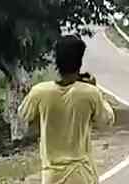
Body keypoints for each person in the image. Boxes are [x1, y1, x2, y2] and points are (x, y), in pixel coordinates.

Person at [18, 35, 115, 184]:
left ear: (56, 61)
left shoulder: (40, 92)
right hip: (82, 174)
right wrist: (95, 88)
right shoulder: (90, 93)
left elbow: (23, 115)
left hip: (51, 175)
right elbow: (107, 121)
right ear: (80, 62)